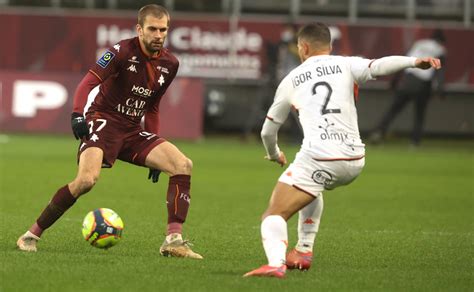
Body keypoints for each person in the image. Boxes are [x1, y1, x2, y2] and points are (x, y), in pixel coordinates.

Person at [243, 22, 441, 278]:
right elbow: (379, 65)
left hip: (319, 157)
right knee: (311, 186)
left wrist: (274, 153)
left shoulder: (290, 80)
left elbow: (267, 131)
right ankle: (303, 251)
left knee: (273, 214)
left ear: (302, 47)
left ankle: (275, 263)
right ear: (330, 46)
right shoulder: (346, 64)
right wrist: (414, 62)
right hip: (354, 159)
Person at [16, 4, 202, 259]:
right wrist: (77, 114)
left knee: (182, 164)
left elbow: (153, 107)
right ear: (139, 29)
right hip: (103, 121)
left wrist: (155, 141)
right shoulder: (121, 51)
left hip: (132, 130)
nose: (158, 35)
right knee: (86, 181)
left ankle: (173, 240)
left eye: (163, 29)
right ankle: (31, 234)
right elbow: (88, 81)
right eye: (152, 29)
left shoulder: (170, 63)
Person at [369, 29, 446, 146]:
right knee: (419, 114)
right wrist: (440, 90)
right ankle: (415, 141)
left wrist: (393, 82)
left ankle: (378, 132)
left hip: (408, 81)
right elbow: (439, 71)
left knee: (393, 110)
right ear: (441, 41)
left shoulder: (419, 44)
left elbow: (402, 61)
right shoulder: (440, 49)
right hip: (423, 84)